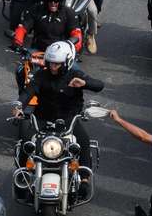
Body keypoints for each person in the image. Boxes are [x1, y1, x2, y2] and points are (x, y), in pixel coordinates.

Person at [15, 41, 103, 191]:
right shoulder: (41, 75)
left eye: (57, 64)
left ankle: (84, 179)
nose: (53, 67)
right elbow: (29, 91)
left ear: (66, 62)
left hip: (69, 120)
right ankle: (24, 175)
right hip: (43, 119)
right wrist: (19, 106)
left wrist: (84, 83)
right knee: (25, 141)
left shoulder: (75, 75)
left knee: (83, 141)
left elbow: (99, 85)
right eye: (51, 63)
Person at [12, 0, 82, 55]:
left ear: (61, 0)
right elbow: (23, 27)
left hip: (60, 53)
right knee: (23, 66)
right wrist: (17, 41)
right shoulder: (36, 9)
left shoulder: (69, 13)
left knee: (75, 67)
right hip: (37, 51)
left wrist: (75, 47)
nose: (53, 2)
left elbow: (76, 33)